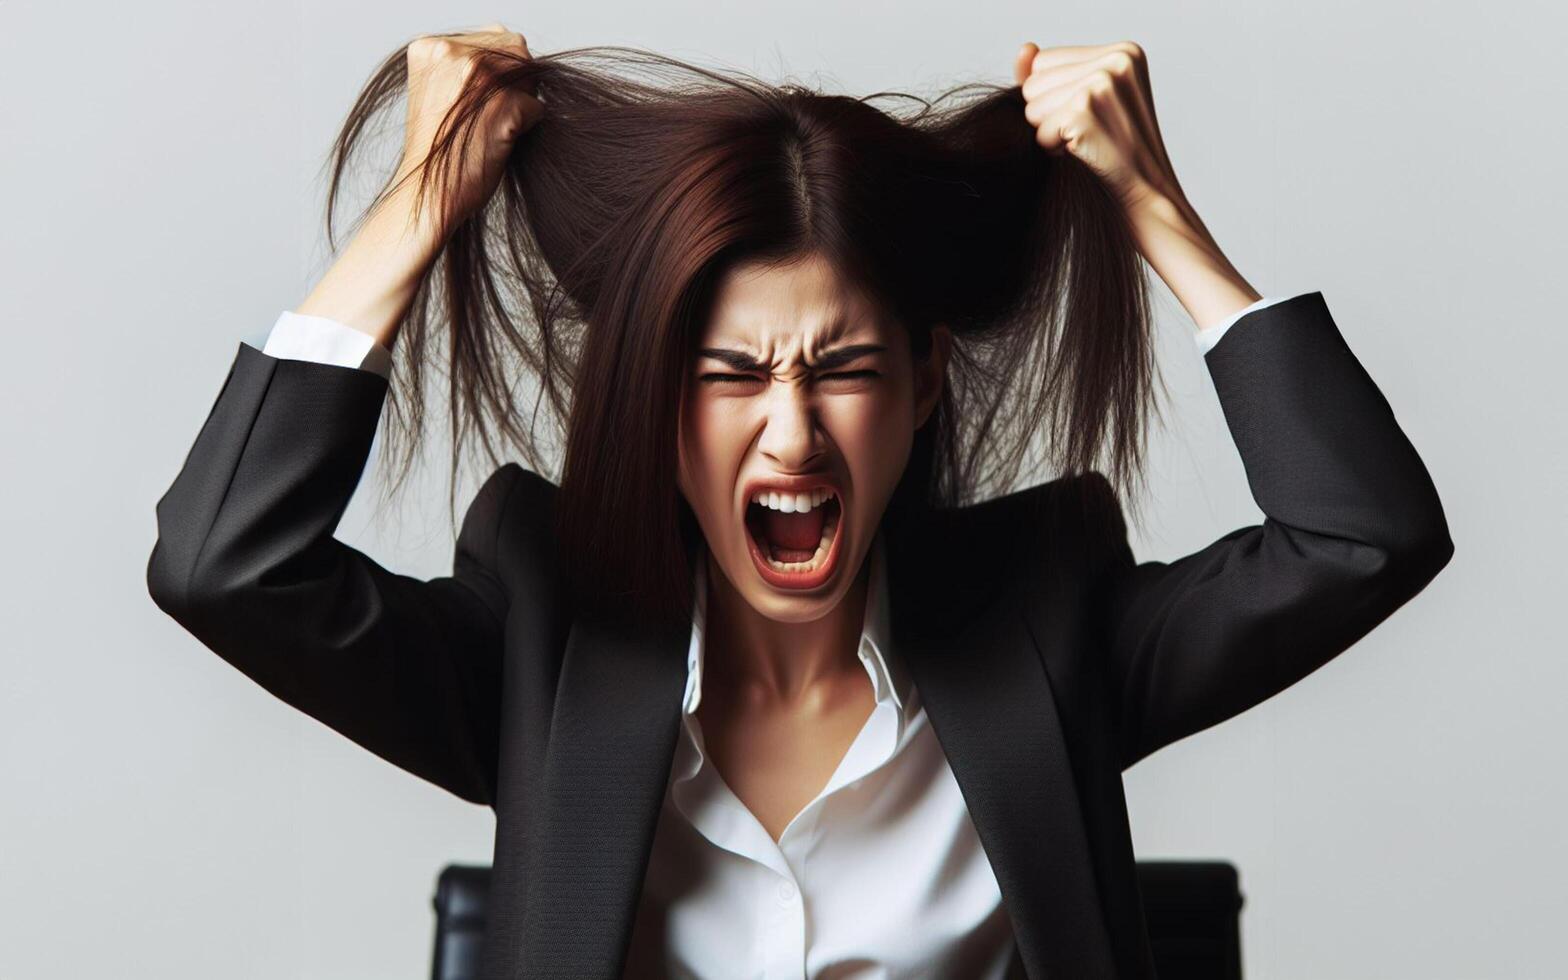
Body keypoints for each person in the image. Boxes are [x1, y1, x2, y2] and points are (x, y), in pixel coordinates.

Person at [146, 25, 1453, 979]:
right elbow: (225, 567)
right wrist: (419, 206)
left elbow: (1361, 537)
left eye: (843, 370)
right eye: (727, 375)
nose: (792, 431)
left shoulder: (1044, 625)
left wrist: (1151, 206)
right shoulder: (545, 639)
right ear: (654, 397)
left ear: (926, 383)